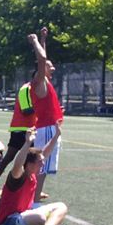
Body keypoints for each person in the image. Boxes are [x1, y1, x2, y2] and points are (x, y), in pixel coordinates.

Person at [0, 30, 45, 198]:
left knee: (15, 159)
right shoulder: (26, 89)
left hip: (27, 129)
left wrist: (41, 40)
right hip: (22, 129)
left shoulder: (34, 89)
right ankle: (26, 190)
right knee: (24, 159)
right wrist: (43, 110)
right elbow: (27, 110)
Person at [0, 125, 68, 225]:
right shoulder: (19, 176)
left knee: (61, 206)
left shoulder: (33, 176)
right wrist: (28, 143)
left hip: (24, 217)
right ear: (29, 164)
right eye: (40, 162)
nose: (43, 164)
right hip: (8, 223)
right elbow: (17, 164)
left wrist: (56, 135)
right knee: (39, 217)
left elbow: (46, 152)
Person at [27, 28, 64, 201]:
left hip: (46, 127)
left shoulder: (42, 82)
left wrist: (43, 39)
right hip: (48, 129)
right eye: (49, 66)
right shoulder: (39, 82)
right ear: (41, 71)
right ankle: (32, 203)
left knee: (40, 167)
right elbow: (41, 59)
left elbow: (43, 58)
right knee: (41, 168)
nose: (53, 68)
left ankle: (32, 198)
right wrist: (34, 41)